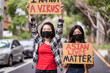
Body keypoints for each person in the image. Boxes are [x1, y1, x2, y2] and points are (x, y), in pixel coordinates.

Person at [26, 2, 64, 73]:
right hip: (39, 70)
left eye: (48, 29)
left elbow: (59, 28)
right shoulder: (39, 40)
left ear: (52, 31)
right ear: (41, 31)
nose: (46, 30)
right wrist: (30, 13)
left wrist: (61, 13)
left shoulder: (55, 41)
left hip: (52, 70)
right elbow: (33, 26)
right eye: (44, 29)